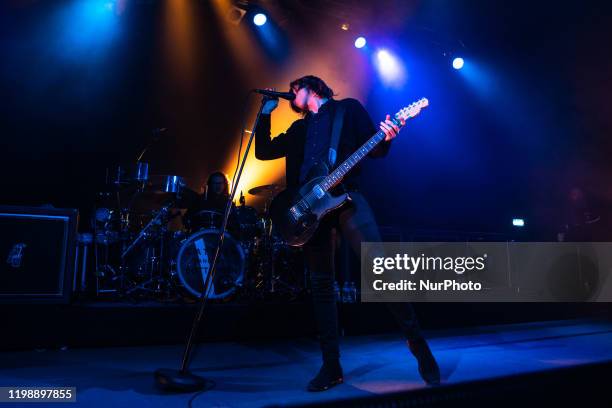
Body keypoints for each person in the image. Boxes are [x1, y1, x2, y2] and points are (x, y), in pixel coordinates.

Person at [255, 75, 440, 391]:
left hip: (346, 198)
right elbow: (263, 151)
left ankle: (417, 344)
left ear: (311, 88)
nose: (289, 95)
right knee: (321, 286)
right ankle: (331, 367)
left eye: (293, 90)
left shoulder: (347, 110)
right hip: (310, 210)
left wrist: (389, 135)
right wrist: (265, 113)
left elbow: (377, 149)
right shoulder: (299, 129)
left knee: (380, 268)